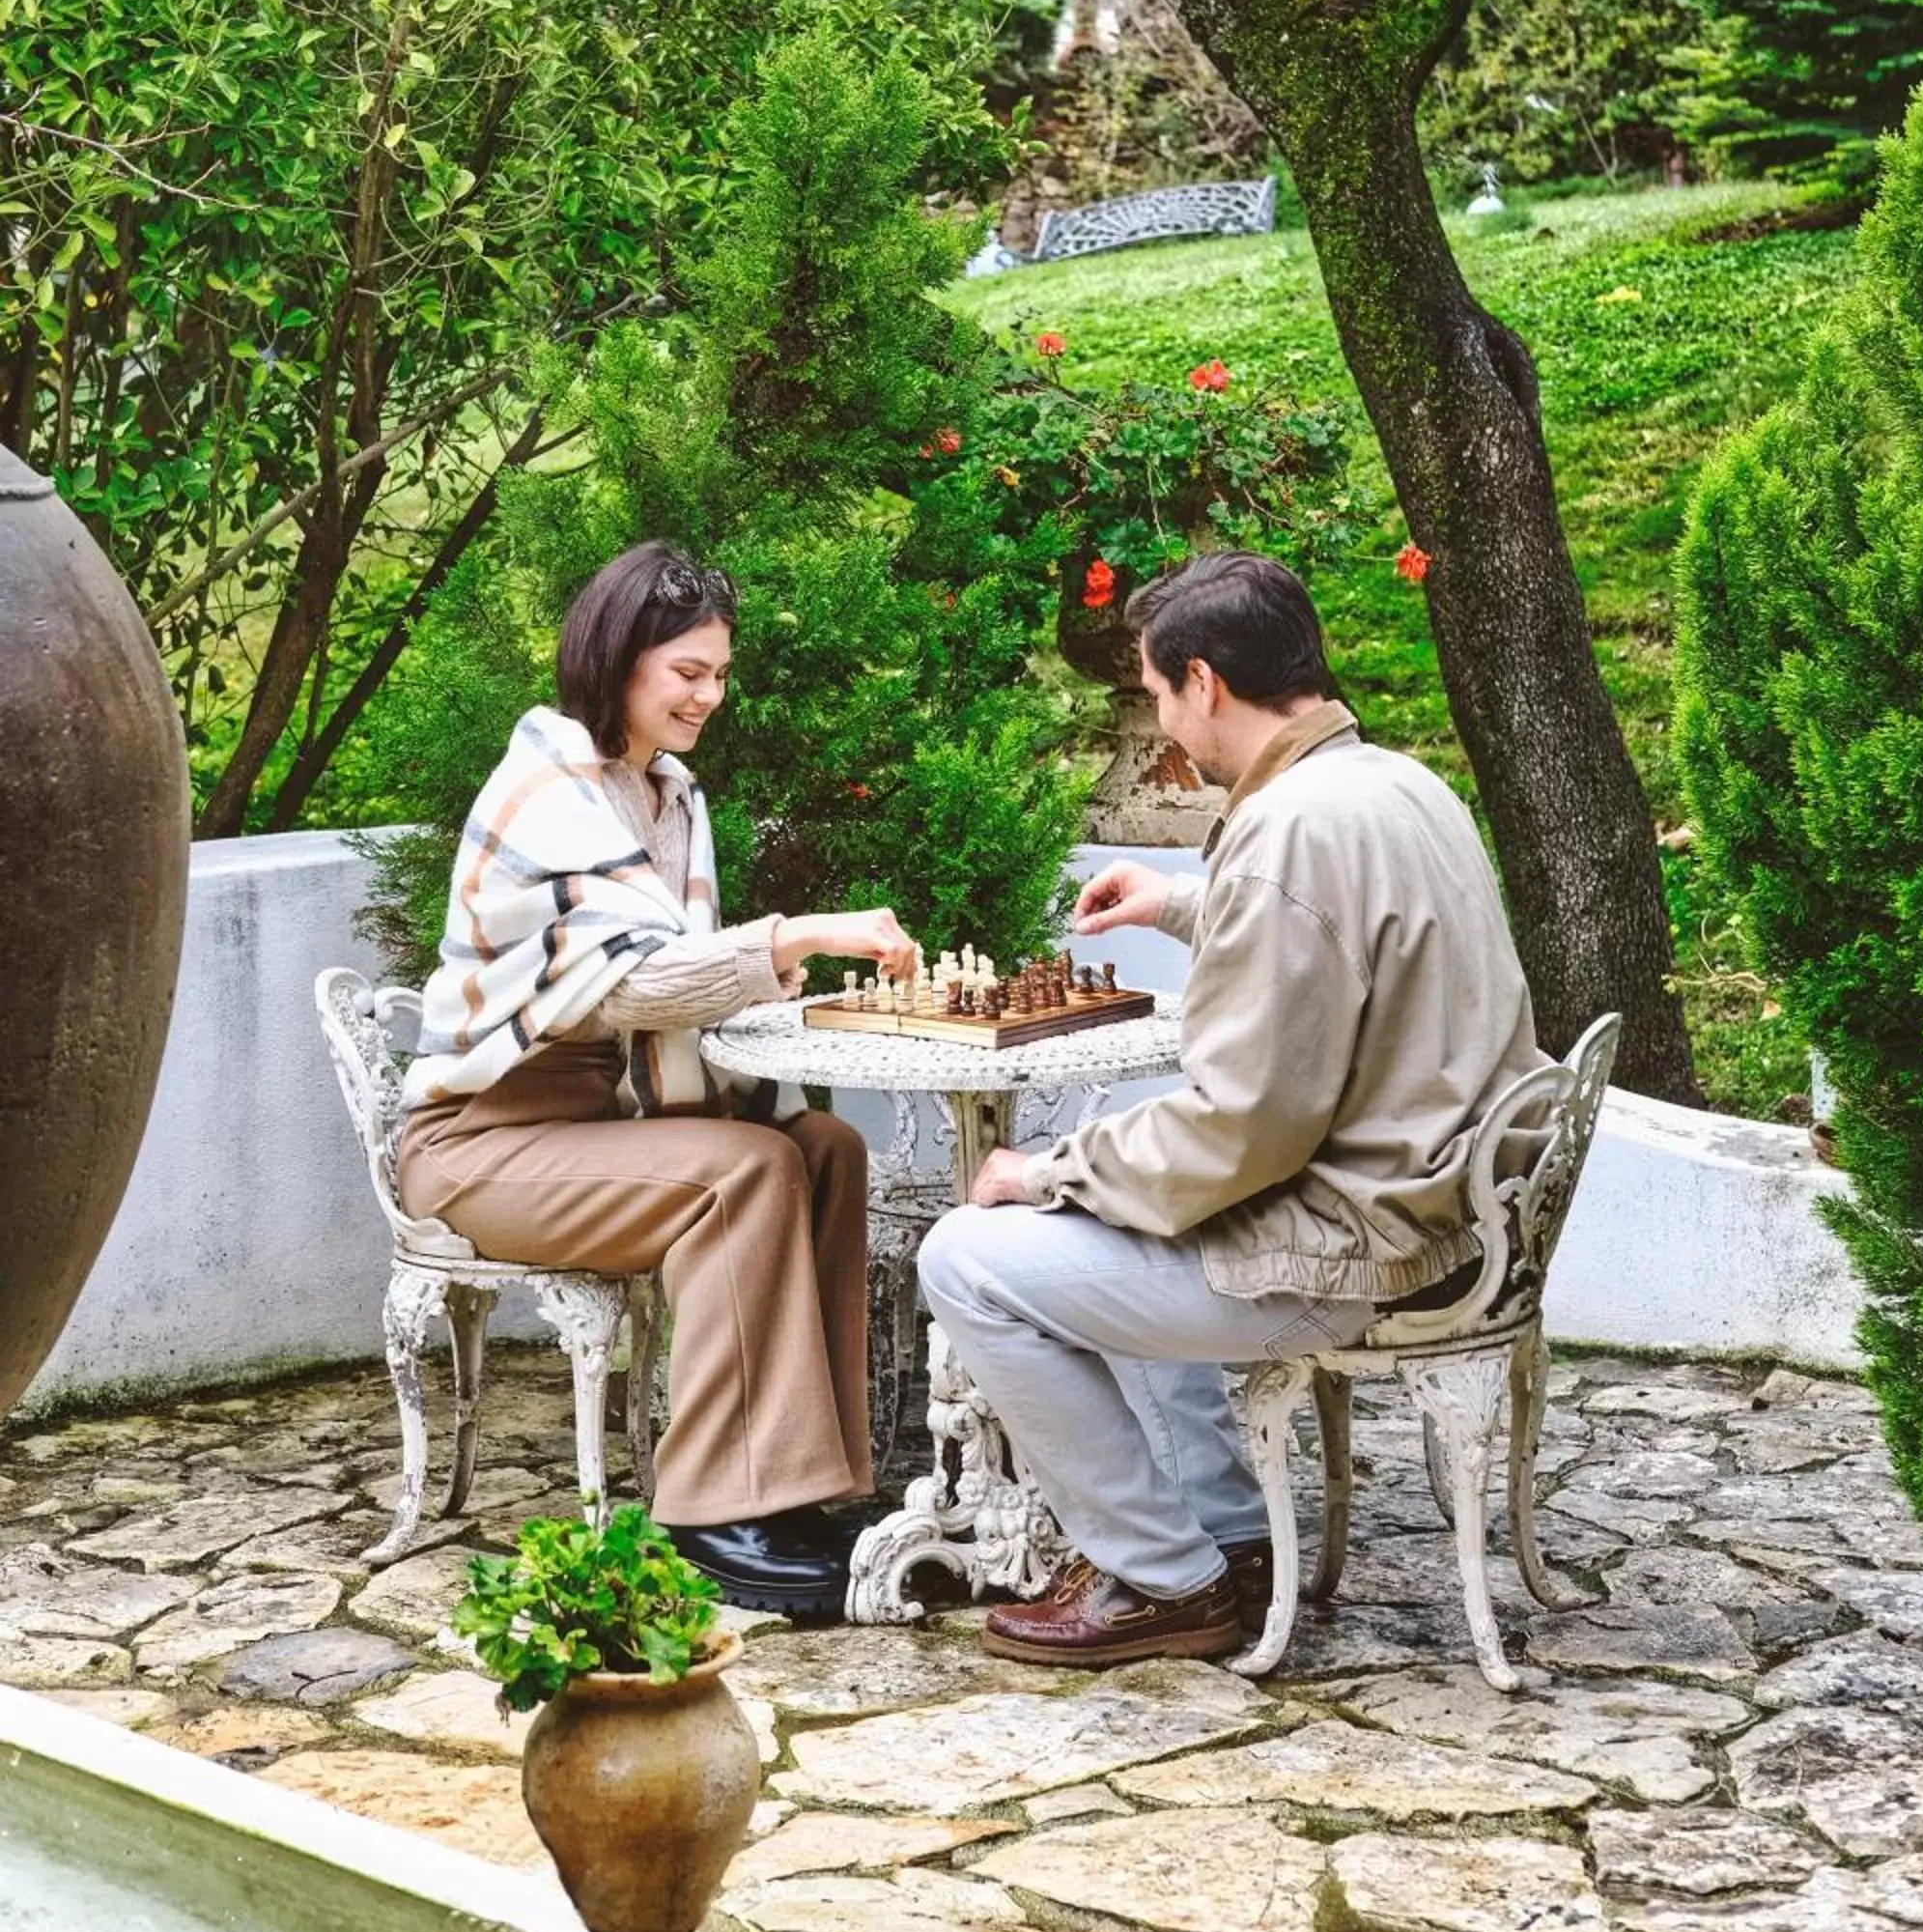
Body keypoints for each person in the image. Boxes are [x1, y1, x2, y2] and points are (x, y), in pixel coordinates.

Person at [918, 550, 1541, 1665]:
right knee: (1128, 1203)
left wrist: (1046, 1170)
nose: (1162, 722)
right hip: (1445, 1211)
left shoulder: (1287, 830)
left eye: (1158, 694)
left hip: (1357, 1247)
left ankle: (1159, 1580)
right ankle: (1232, 1538)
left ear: (1202, 682)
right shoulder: (1393, 783)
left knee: (970, 1253)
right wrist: (1178, 904)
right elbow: (1337, 937)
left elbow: (1241, 1130)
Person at [399, 540, 917, 1617]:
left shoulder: (666, 797)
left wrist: (813, 1000)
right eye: (688, 672)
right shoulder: (546, 791)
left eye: (719, 674)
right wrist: (798, 935)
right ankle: (711, 1514)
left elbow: (691, 993)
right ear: (618, 659)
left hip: (598, 1128)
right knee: (739, 1174)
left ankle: (799, 1488)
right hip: (483, 1142)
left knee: (824, 1148)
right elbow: (624, 989)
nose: (709, 697)